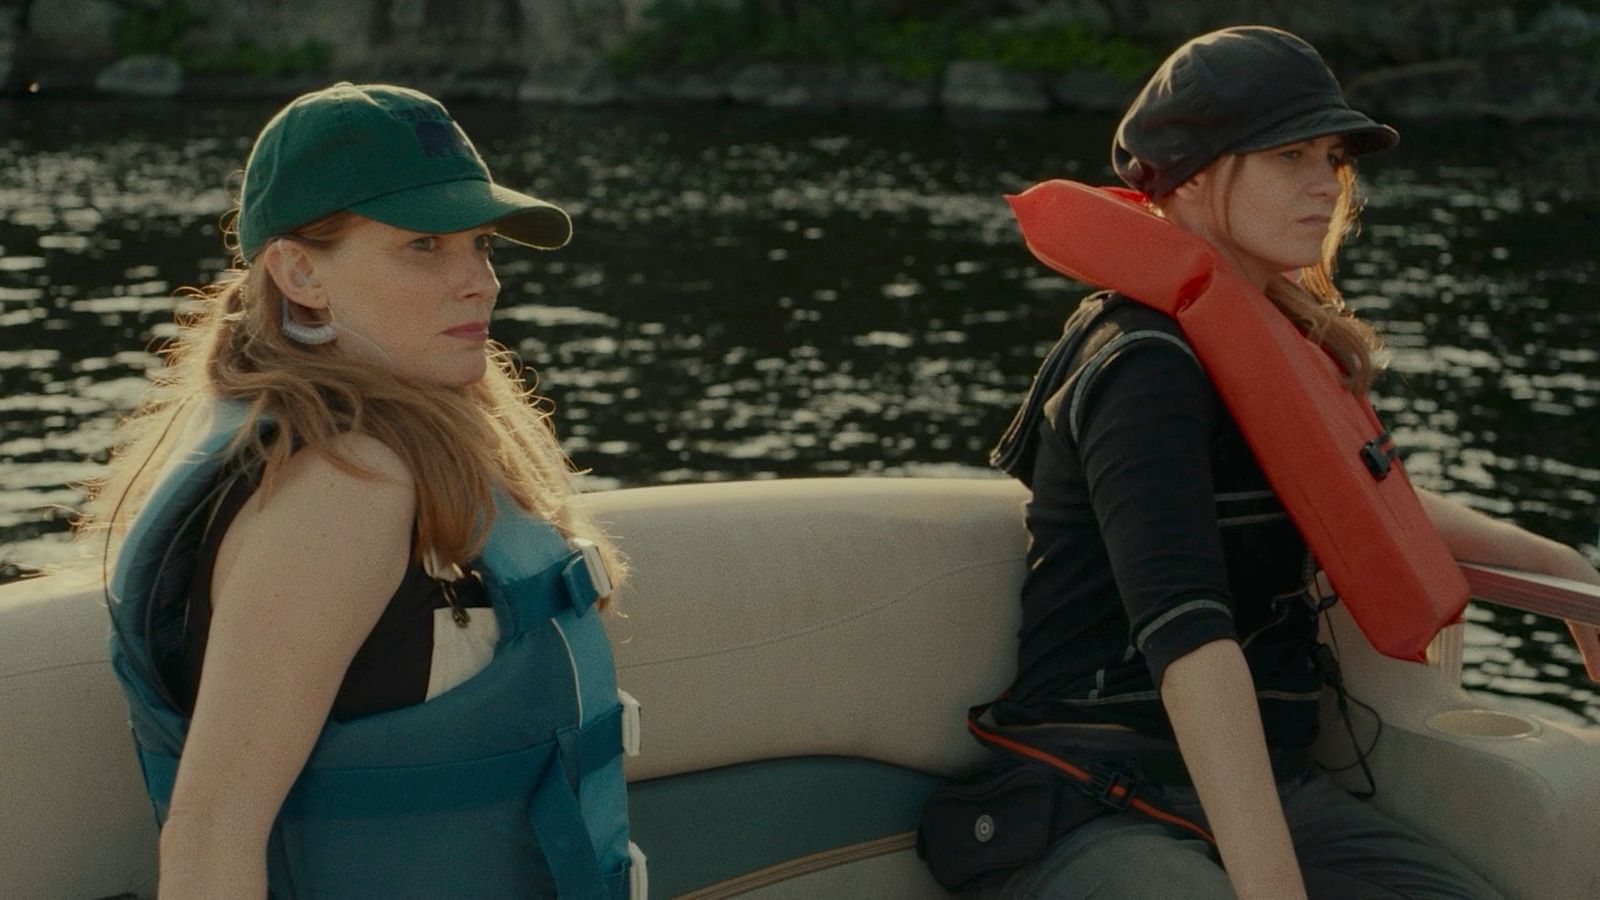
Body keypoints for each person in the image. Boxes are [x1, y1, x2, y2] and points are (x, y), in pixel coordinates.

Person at [983, 26, 1600, 900]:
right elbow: (1192, 647)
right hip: (1094, 795)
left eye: (1334, 159)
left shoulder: (1263, 346)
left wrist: (1553, 561)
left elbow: (1370, 498)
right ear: (1193, 176)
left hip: (1268, 785)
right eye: (1291, 157)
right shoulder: (1142, 366)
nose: (1328, 186)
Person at [81, 83, 639, 899]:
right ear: (300, 270)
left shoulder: (376, 453)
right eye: (424, 246)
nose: (479, 282)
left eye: (480, 245)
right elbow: (208, 838)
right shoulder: (342, 487)